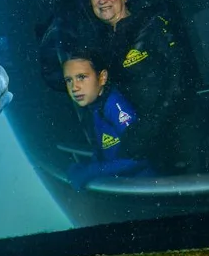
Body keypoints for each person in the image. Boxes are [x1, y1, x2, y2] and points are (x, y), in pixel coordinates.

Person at [86, 0, 209, 174]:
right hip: (153, 145)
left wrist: (151, 125)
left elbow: (182, 75)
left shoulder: (151, 24)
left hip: (187, 136)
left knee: (202, 200)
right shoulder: (103, 45)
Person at [63, 48, 154, 191]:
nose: (74, 87)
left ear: (102, 77)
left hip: (144, 189)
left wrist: (90, 171)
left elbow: (138, 159)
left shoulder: (114, 106)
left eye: (81, 77)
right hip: (124, 188)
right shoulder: (94, 108)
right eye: (69, 80)